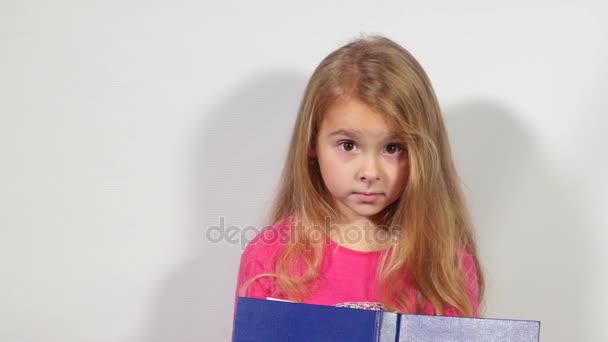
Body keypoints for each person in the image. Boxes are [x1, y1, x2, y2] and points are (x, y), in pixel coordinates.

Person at [234, 34, 484, 317]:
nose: (370, 173)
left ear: (422, 154)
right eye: (348, 145)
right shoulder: (271, 257)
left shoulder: (444, 264)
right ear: (311, 143)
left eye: (393, 148)